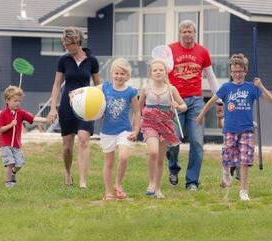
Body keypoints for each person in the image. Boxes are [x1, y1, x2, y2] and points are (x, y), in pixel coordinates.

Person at [196, 53, 272, 201]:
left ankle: (243, 191)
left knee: (245, 160)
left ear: (245, 71)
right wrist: (201, 115)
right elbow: (212, 101)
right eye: (234, 72)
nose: (237, 74)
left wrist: (261, 86)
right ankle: (226, 173)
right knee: (227, 157)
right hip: (230, 129)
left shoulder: (252, 88)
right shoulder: (226, 88)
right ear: (231, 72)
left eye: (240, 71)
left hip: (246, 130)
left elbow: (271, 100)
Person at [166, 20, 220, 190]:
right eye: (184, 31)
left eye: (190, 31)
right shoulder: (170, 50)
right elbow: (161, 73)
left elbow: (211, 77)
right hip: (176, 99)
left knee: (197, 142)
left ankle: (192, 181)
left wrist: (219, 98)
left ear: (195, 33)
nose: (187, 34)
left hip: (196, 101)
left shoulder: (202, 52)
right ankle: (173, 169)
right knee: (173, 140)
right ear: (179, 33)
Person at [47, 27, 101, 188]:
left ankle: (83, 181)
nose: (66, 47)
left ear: (77, 42)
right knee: (67, 148)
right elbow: (57, 85)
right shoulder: (63, 60)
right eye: (64, 44)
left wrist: (100, 105)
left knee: (84, 140)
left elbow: (98, 85)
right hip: (67, 107)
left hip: (86, 106)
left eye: (68, 44)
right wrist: (53, 108)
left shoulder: (92, 61)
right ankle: (68, 172)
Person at [140, 59, 187, 199]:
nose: (158, 72)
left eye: (161, 70)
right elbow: (139, 108)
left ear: (165, 72)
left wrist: (178, 106)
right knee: (153, 152)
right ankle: (151, 183)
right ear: (151, 73)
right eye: (155, 70)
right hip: (149, 124)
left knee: (160, 159)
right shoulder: (146, 89)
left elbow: (184, 105)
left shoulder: (171, 89)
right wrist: (137, 125)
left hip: (166, 125)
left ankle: (158, 189)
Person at [97, 58, 140, 201]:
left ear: (127, 76)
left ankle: (118, 184)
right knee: (108, 163)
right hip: (107, 131)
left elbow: (137, 112)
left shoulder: (131, 92)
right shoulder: (105, 87)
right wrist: (75, 93)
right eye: (117, 73)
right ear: (111, 73)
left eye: (122, 74)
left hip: (124, 130)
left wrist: (136, 129)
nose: (119, 76)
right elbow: (89, 92)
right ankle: (108, 192)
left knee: (123, 157)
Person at [0, 85, 47, 188]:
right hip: (5, 144)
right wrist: (11, 125)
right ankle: (8, 182)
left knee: (19, 164)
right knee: (10, 162)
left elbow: (33, 118)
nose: (18, 103)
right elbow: (0, 129)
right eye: (15, 101)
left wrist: (47, 120)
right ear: (7, 100)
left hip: (16, 145)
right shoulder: (2, 114)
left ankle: (13, 173)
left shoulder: (21, 113)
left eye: (19, 101)